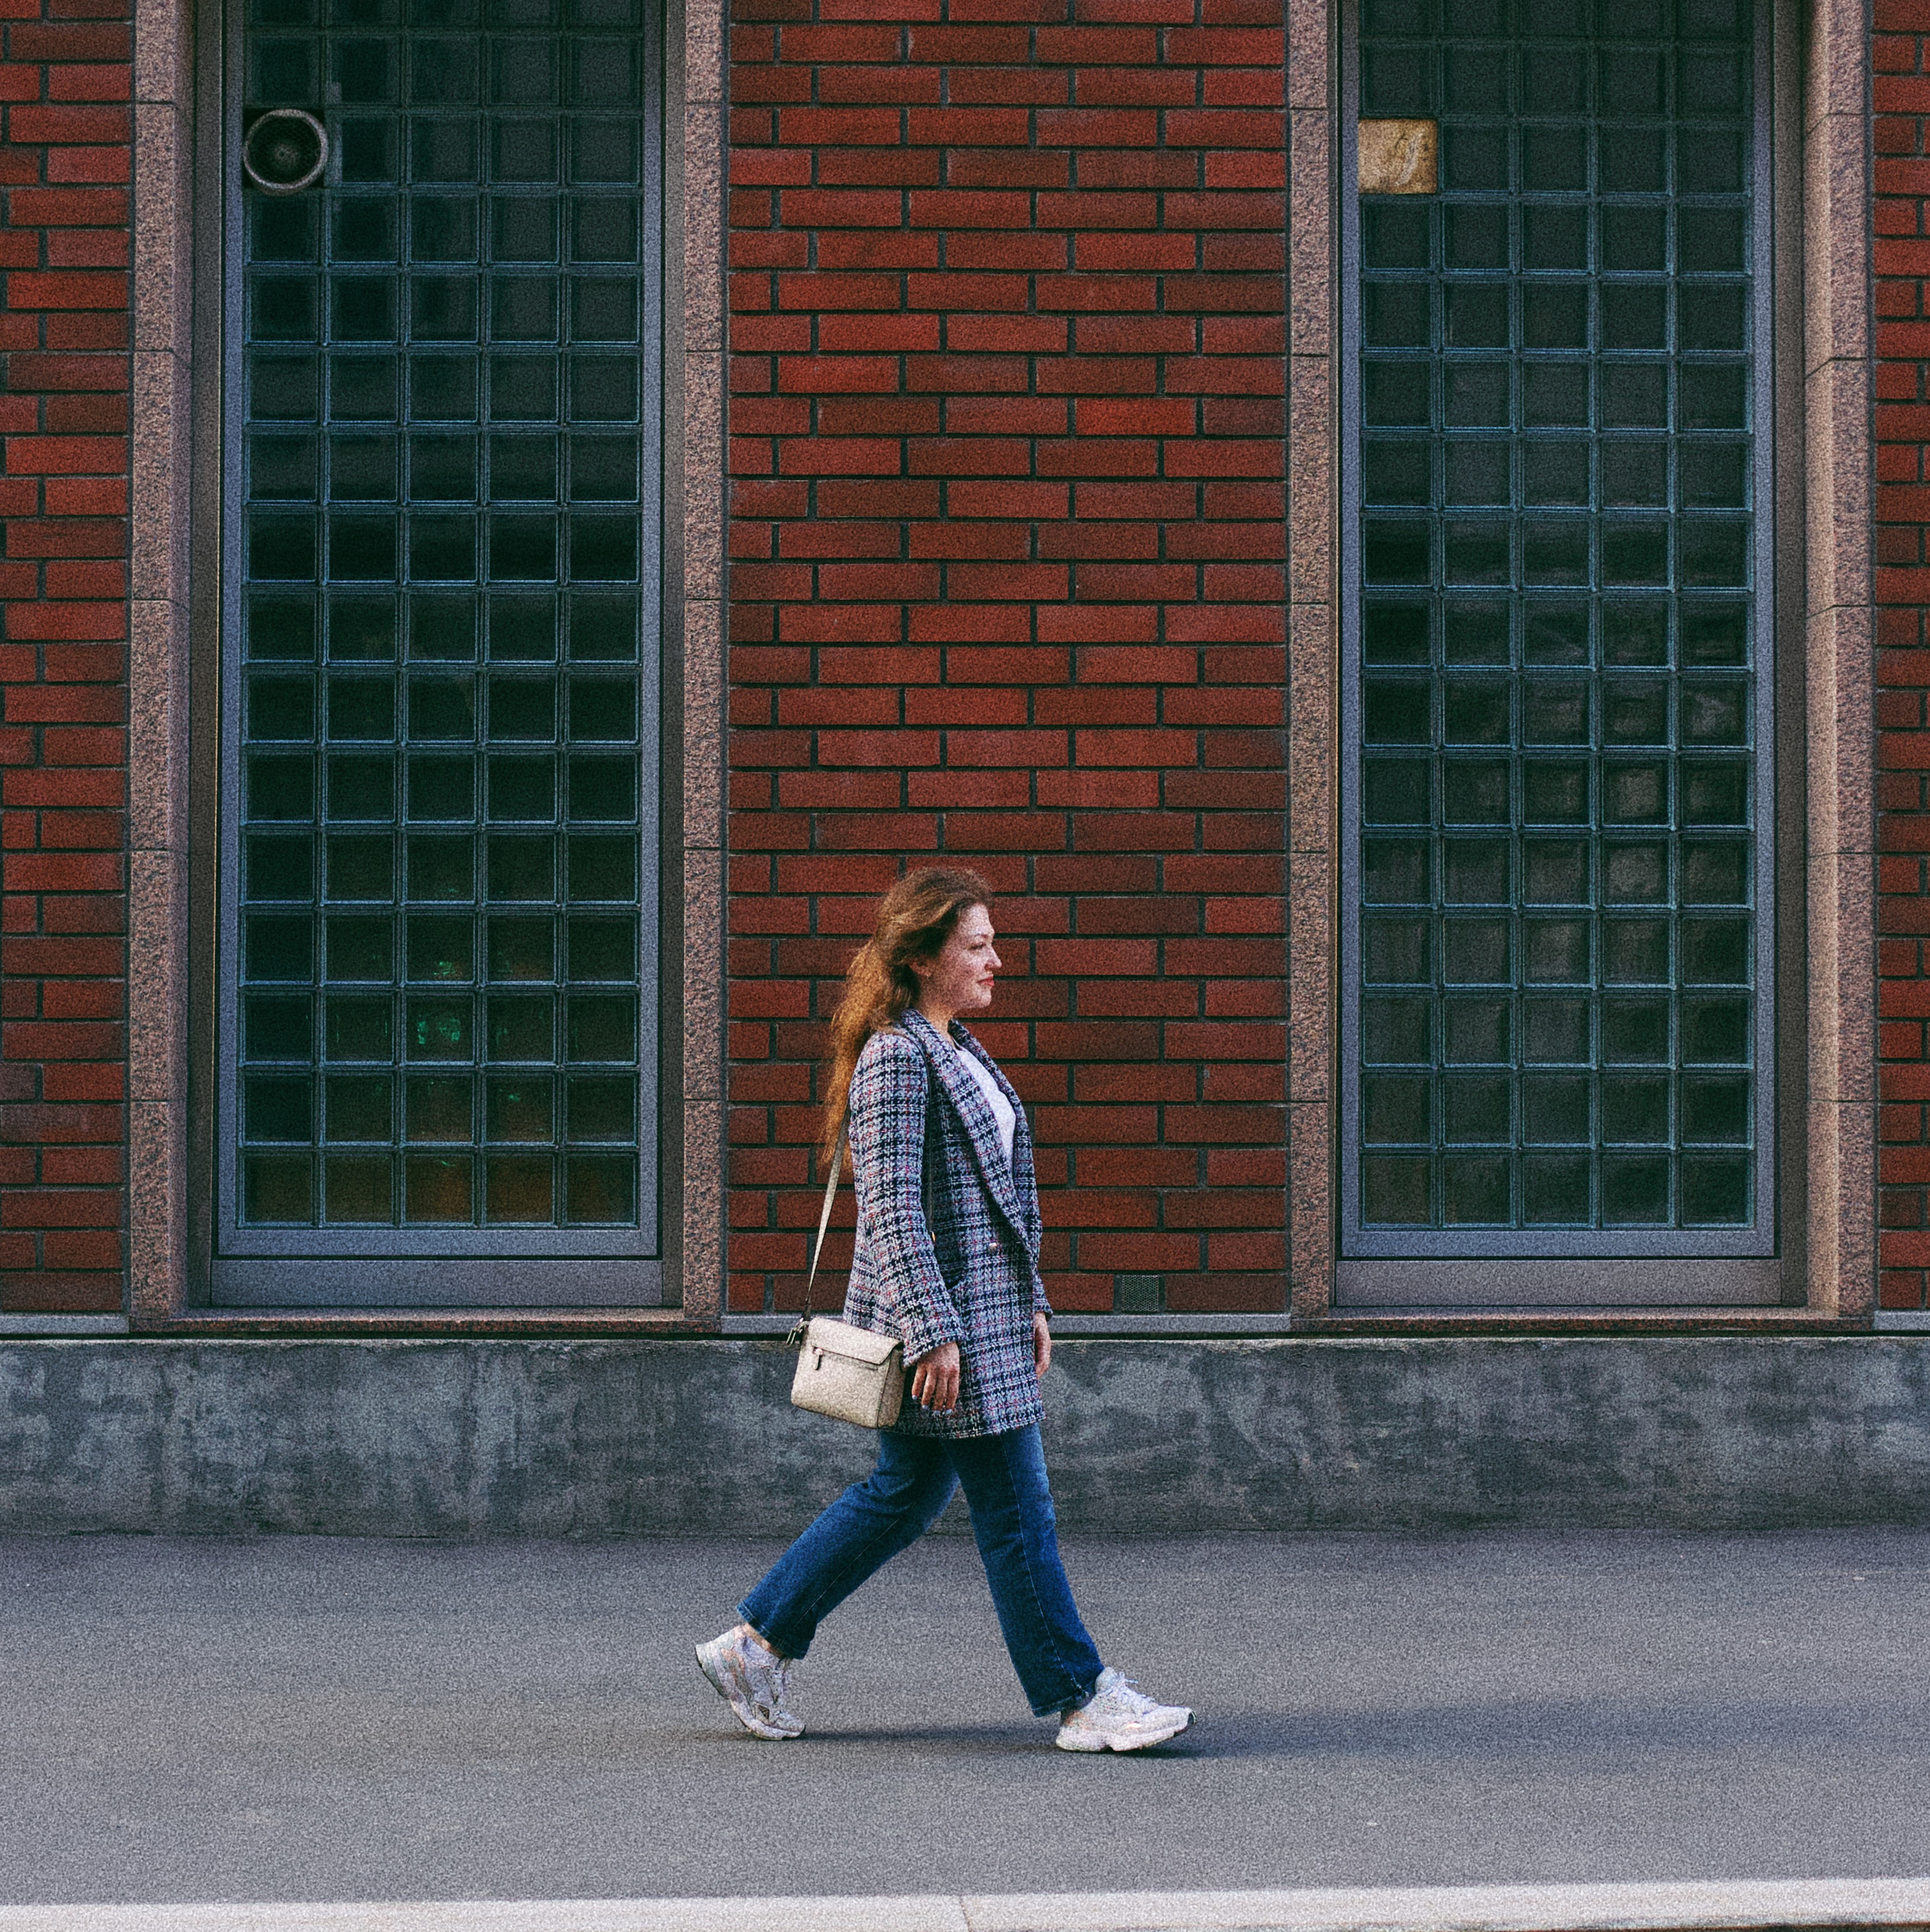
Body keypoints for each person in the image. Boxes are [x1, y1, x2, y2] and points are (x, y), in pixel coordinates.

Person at [697, 865, 1192, 1753]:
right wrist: (932, 1333)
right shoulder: (896, 1055)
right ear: (924, 956)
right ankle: (1081, 1695)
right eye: (976, 945)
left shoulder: (957, 1046)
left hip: (986, 1321)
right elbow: (890, 1207)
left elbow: (999, 1201)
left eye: (992, 943)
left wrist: (1032, 1302)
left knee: (904, 1493)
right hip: (949, 1330)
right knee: (1016, 1510)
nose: (995, 959)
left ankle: (755, 1644)